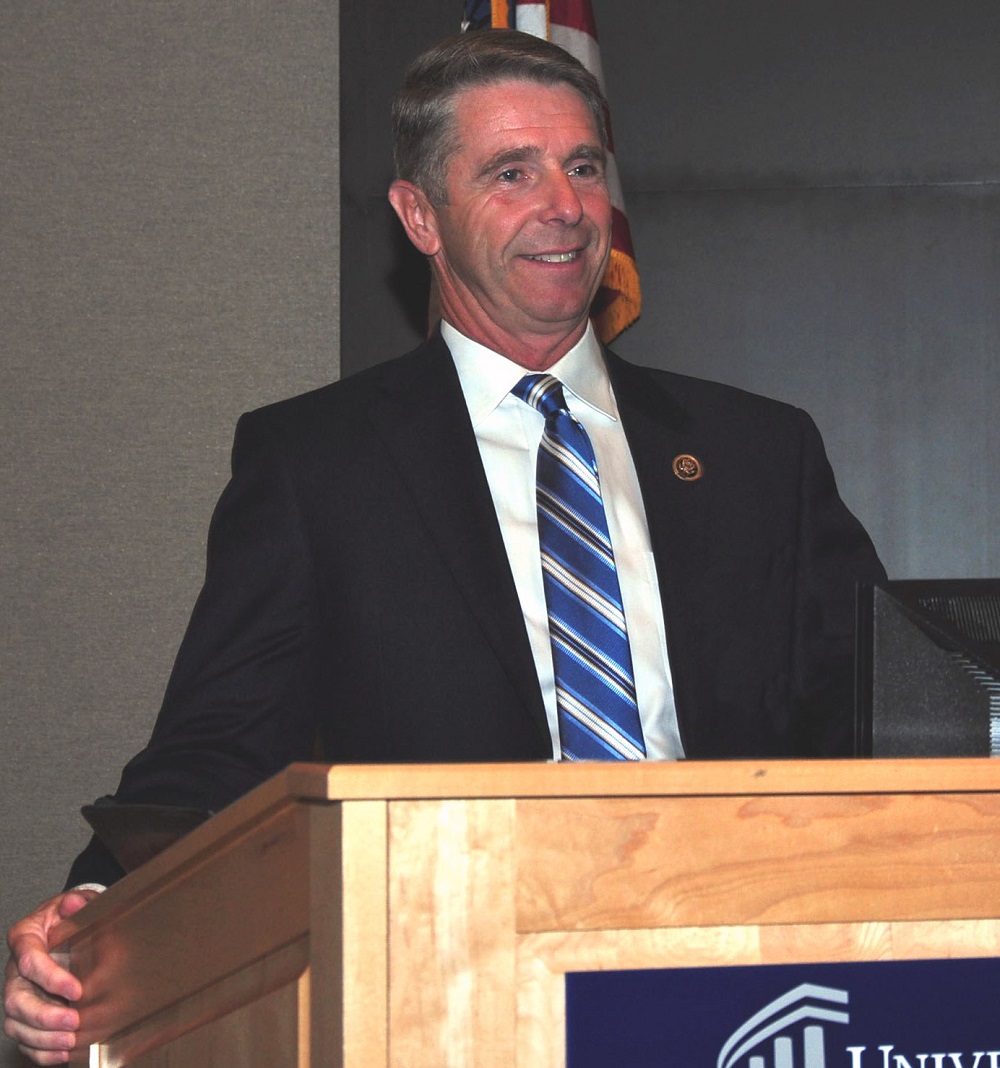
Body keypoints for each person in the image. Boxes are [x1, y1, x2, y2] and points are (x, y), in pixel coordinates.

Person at [4, 29, 885, 1063]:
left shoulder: (755, 451)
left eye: (583, 167)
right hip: (452, 988)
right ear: (419, 216)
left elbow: (878, 718)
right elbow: (216, 746)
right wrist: (93, 918)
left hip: (741, 977)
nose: (562, 204)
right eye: (511, 173)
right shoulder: (316, 463)